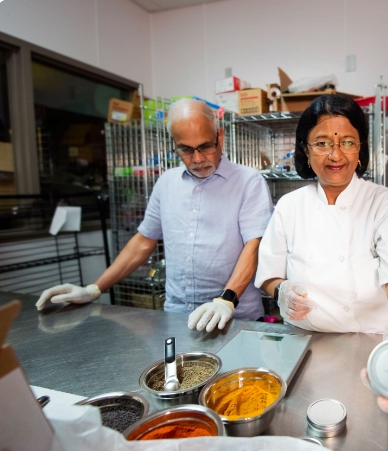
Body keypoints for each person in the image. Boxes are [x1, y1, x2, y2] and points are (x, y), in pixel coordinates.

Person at [255, 95, 388, 415]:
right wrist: (281, 290)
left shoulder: (384, 204)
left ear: (359, 148)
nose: (336, 154)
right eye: (322, 143)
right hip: (303, 349)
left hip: (372, 350)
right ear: (305, 150)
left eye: (347, 142)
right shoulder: (290, 207)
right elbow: (268, 272)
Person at [36, 99, 273, 332]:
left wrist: (226, 299)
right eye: (186, 149)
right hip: (178, 318)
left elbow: (254, 245)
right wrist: (94, 289)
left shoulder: (248, 182)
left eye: (205, 146)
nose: (198, 158)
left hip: (237, 318)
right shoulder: (166, 183)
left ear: (220, 137)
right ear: (174, 145)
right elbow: (144, 241)